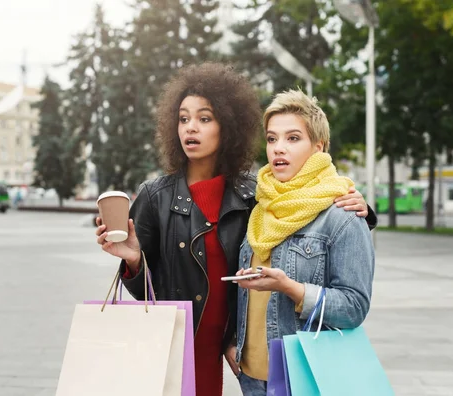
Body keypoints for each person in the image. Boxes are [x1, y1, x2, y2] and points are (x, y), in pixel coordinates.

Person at [95, 63, 374, 396]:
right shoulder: (156, 196)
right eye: (183, 119)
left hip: (236, 354)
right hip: (173, 345)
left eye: (204, 118)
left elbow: (303, 208)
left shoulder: (252, 195)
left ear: (227, 126)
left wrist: (363, 211)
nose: (190, 129)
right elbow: (147, 294)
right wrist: (134, 263)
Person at [233, 89, 375, 395]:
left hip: (304, 379)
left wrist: (290, 288)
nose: (278, 148)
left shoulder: (343, 214)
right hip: (251, 380)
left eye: (293, 138)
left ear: (318, 147)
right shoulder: (259, 209)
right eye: (272, 139)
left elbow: (354, 307)